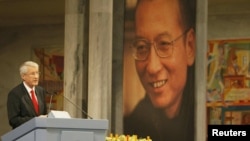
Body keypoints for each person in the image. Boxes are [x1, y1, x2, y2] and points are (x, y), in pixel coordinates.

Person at [123, 0, 196, 141]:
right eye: (141, 47)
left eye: (164, 44)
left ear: (190, 46)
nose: (152, 67)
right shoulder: (132, 128)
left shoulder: (208, 115)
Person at [7, 61, 48, 129]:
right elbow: (14, 120)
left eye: (37, 73)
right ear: (23, 76)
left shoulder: (41, 91)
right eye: (32, 74)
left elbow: (44, 114)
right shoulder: (15, 94)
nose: (36, 76)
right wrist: (36, 119)